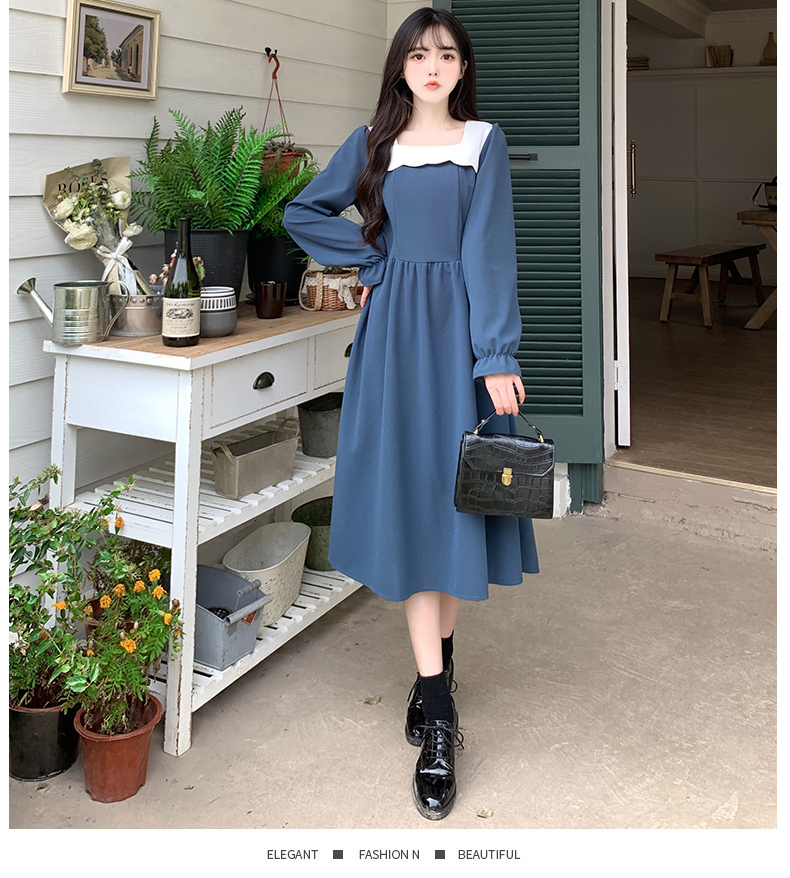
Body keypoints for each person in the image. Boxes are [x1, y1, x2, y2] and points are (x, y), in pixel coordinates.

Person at [283, 6, 539, 821]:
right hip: (394, 340)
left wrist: (496, 355)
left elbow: (490, 253)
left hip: (460, 343)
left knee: (455, 508)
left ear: (463, 68)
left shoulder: (481, 142)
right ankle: (438, 712)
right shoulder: (372, 142)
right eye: (420, 54)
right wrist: (376, 259)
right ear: (400, 65)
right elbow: (303, 213)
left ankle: (437, 673)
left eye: (448, 55)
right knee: (416, 510)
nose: (433, 66)